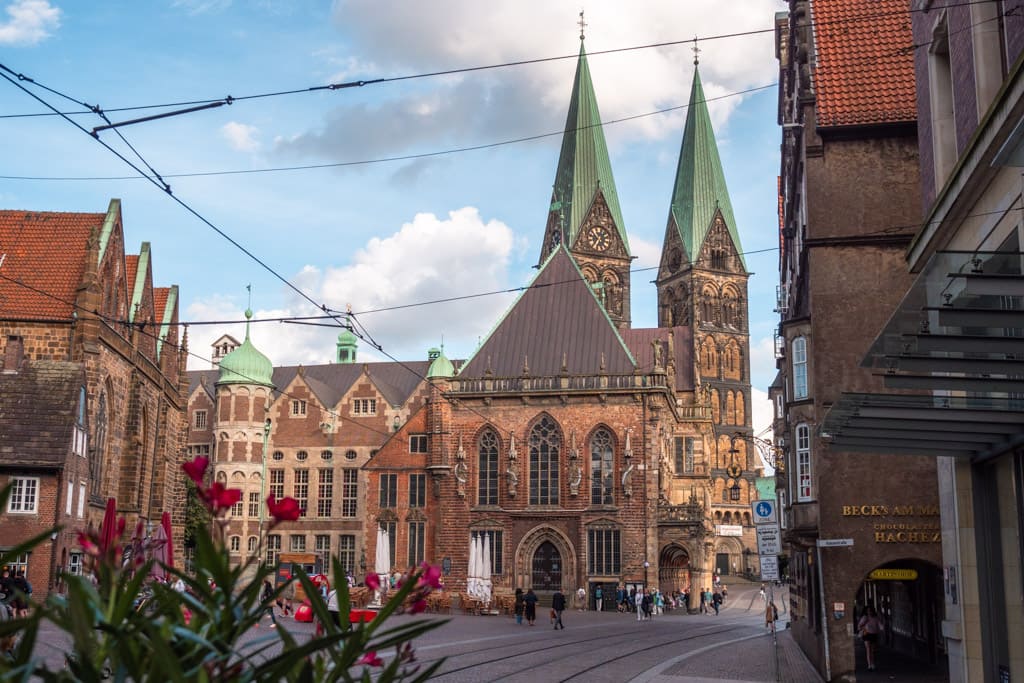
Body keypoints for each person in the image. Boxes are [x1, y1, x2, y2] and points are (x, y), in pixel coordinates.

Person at [858, 606, 883, 671]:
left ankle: (872, 663)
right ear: (866, 611)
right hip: (867, 634)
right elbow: (859, 626)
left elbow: (880, 625)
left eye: (870, 610)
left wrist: (882, 628)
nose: (869, 612)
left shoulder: (876, 618)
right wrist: (863, 624)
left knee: (873, 650)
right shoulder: (865, 618)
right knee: (868, 649)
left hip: (874, 634)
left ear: (873, 611)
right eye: (868, 610)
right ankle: (869, 665)